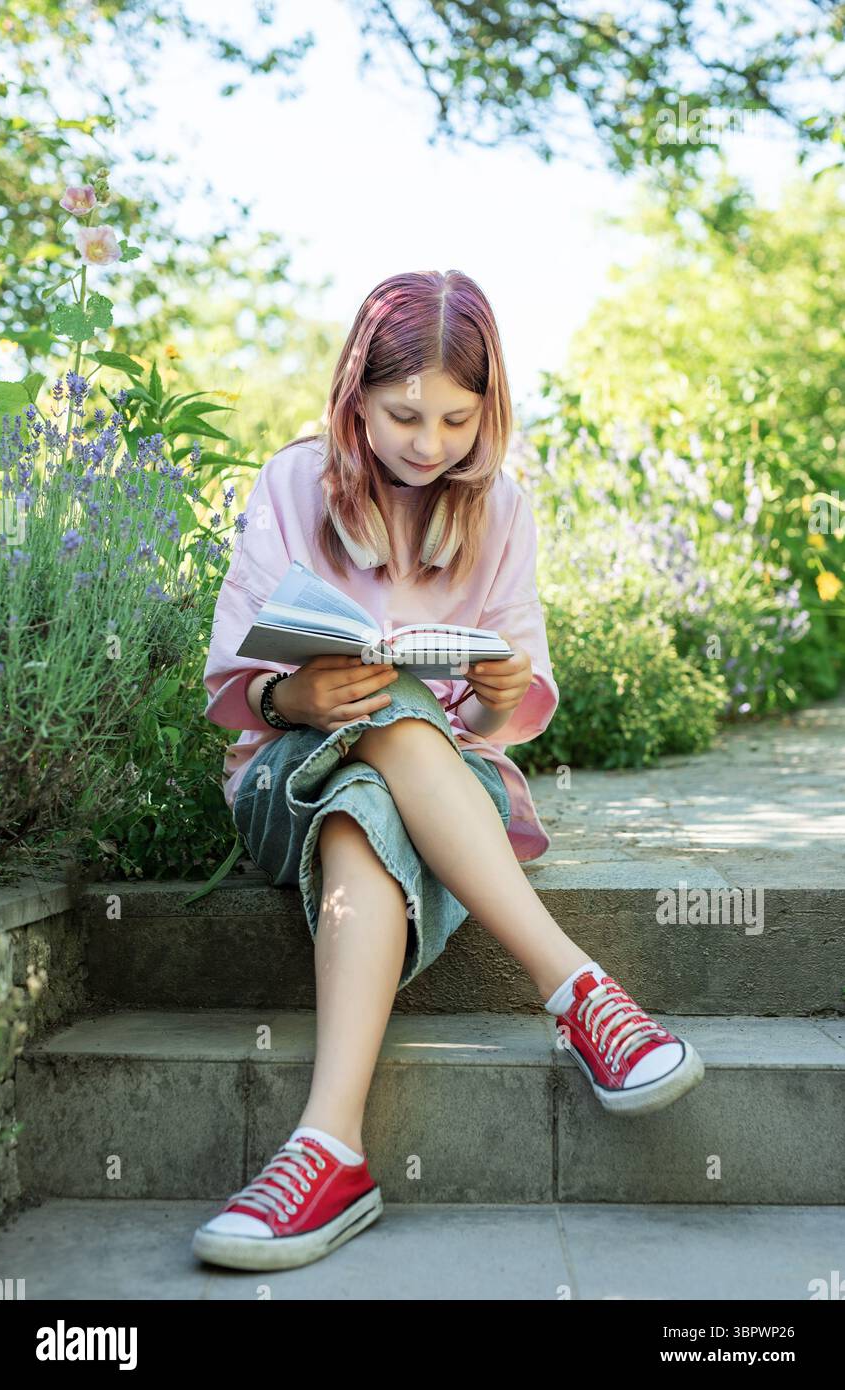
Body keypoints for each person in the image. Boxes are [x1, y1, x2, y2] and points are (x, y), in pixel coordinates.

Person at [191, 269, 704, 1274]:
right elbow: (231, 684)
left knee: (366, 804)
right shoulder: (293, 483)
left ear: (488, 409)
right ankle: (581, 990)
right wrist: (297, 698)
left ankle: (327, 1150)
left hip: (433, 790)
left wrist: (503, 683)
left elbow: (506, 718)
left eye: (455, 419)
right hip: (280, 781)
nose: (428, 444)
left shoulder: (497, 507)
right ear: (355, 397)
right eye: (402, 415)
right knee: (371, 728)